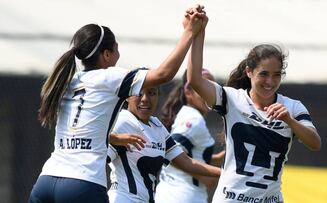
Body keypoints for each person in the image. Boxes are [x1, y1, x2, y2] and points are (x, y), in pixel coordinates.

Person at [29, 5, 206, 202]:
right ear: (106, 55)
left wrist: (114, 138)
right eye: (116, 49)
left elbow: (83, 129)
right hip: (82, 184)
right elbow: (164, 74)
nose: (119, 55)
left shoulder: (68, 81)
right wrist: (189, 31)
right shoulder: (109, 77)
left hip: (46, 181)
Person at [186, 8, 322, 203]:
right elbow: (195, 80)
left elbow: (315, 143)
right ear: (249, 72)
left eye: (277, 75)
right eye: (264, 74)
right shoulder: (231, 99)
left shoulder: (293, 108)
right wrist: (198, 32)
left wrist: (289, 121)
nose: (270, 81)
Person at [106, 85, 221, 203]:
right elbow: (97, 158)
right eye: (139, 93)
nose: (145, 99)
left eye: (151, 93)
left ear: (158, 96)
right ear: (127, 96)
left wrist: (224, 173)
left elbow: (186, 162)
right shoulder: (122, 122)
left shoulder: (157, 126)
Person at [155, 69, 224, 203]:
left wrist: (218, 158)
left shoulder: (190, 115)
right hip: (180, 196)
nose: (207, 92)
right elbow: (170, 154)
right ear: (188, 92)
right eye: (201, 87)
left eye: (211, 87)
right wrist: (206, 177)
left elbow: (190, 155)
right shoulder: (193, 120)